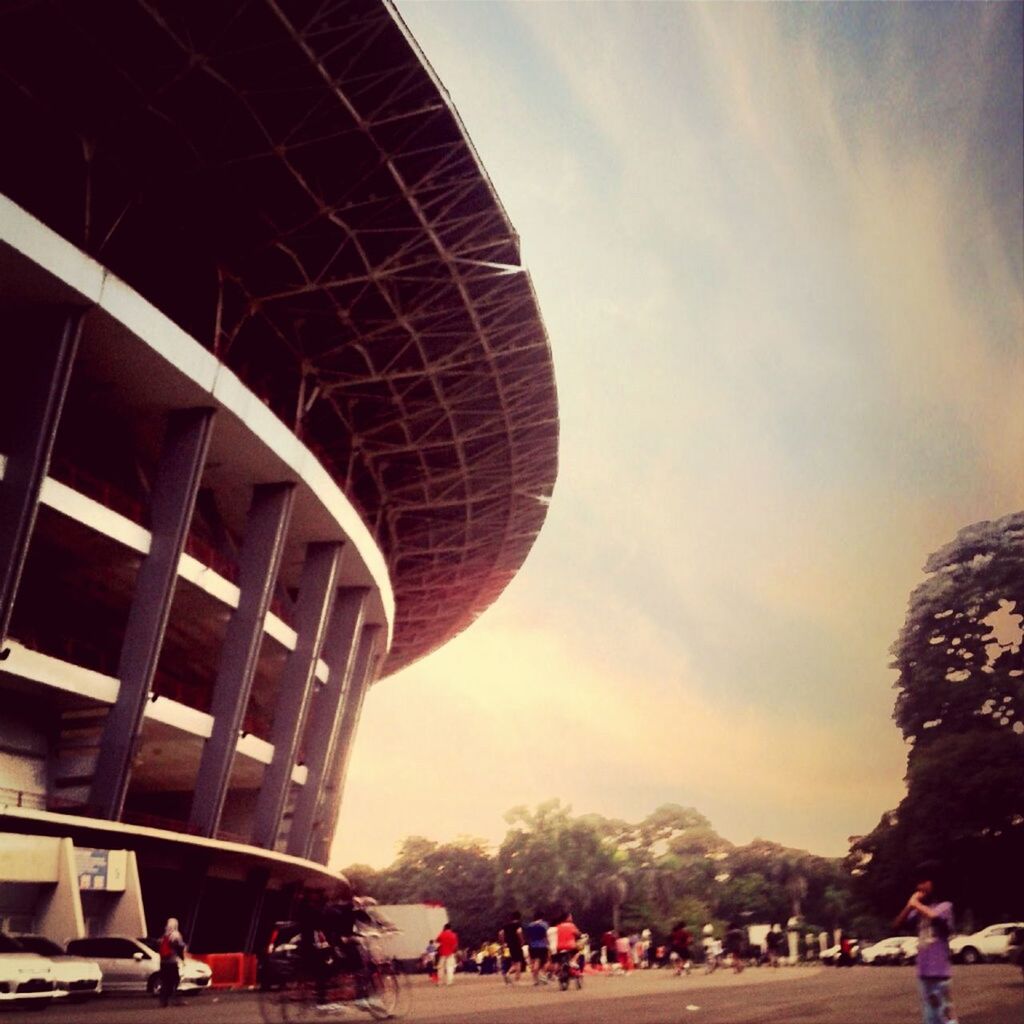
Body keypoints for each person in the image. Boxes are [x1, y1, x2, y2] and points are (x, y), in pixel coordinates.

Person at [893, 863, 959, 1024]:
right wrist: (909, 906)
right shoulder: (917, 911)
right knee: (930, 1017)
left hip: (940, 973)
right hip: (924, 973)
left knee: (946, 1015)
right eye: (918, 883)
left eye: (924, 882)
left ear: (934, 883)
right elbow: (896, 925)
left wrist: (915, 904)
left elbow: (936, 918)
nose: (920, 886)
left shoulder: (945, 906)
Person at [157, 918, 186, 1007]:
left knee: (165, 981)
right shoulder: (176, 935)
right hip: (172, 962)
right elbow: (180, 946)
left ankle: (163, 1001)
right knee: (176, 980)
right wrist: (183, 959)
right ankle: (176, 1000)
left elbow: (159, 946)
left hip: (163, 962)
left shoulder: (164, 936)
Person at [523, 909, 550, 985]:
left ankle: (535, 980)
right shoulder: (544, 924)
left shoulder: (530, 925)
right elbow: (546, 935)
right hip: (542, 945)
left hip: (532, 946)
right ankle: (543, 976)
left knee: (535, 962)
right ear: (542, 916)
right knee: (545, 961)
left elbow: (527, 936)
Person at [501, 911, 526, 984]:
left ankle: (508, 974)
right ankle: (515, 979)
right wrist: (522, 941)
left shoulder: (506, 926)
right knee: (518, 963)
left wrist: (503, 942)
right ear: (519, 917)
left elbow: (501, 933)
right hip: (517, 944)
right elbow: (519, 932)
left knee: (514, 961)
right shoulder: (518, 925)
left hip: (510, 945)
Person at [435, 921, 459, 987]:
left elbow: (437, 941)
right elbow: (455, 945)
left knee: (440, 968)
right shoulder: (453, 935)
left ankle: (440, 982)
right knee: (450, 968)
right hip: (450, 953)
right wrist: (454, 951)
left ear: (445, 928)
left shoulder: (442, 934)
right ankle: (449, 982)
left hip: (442, 953)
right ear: (450, 928)